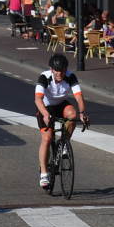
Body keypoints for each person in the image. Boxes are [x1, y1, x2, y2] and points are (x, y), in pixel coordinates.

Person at [33, 53, 87, 191]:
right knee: (47, 137)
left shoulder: (70, 76)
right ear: (51, 69)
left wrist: (82, 113)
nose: (60, 74)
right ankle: (44, 173)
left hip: (61, 104)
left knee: (73, 114)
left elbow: (79, 97)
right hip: (46, 107)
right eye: (57, 71)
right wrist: (45, 114)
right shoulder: (44, 77)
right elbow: (38, 99)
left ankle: (64, 142)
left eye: (62, 71)